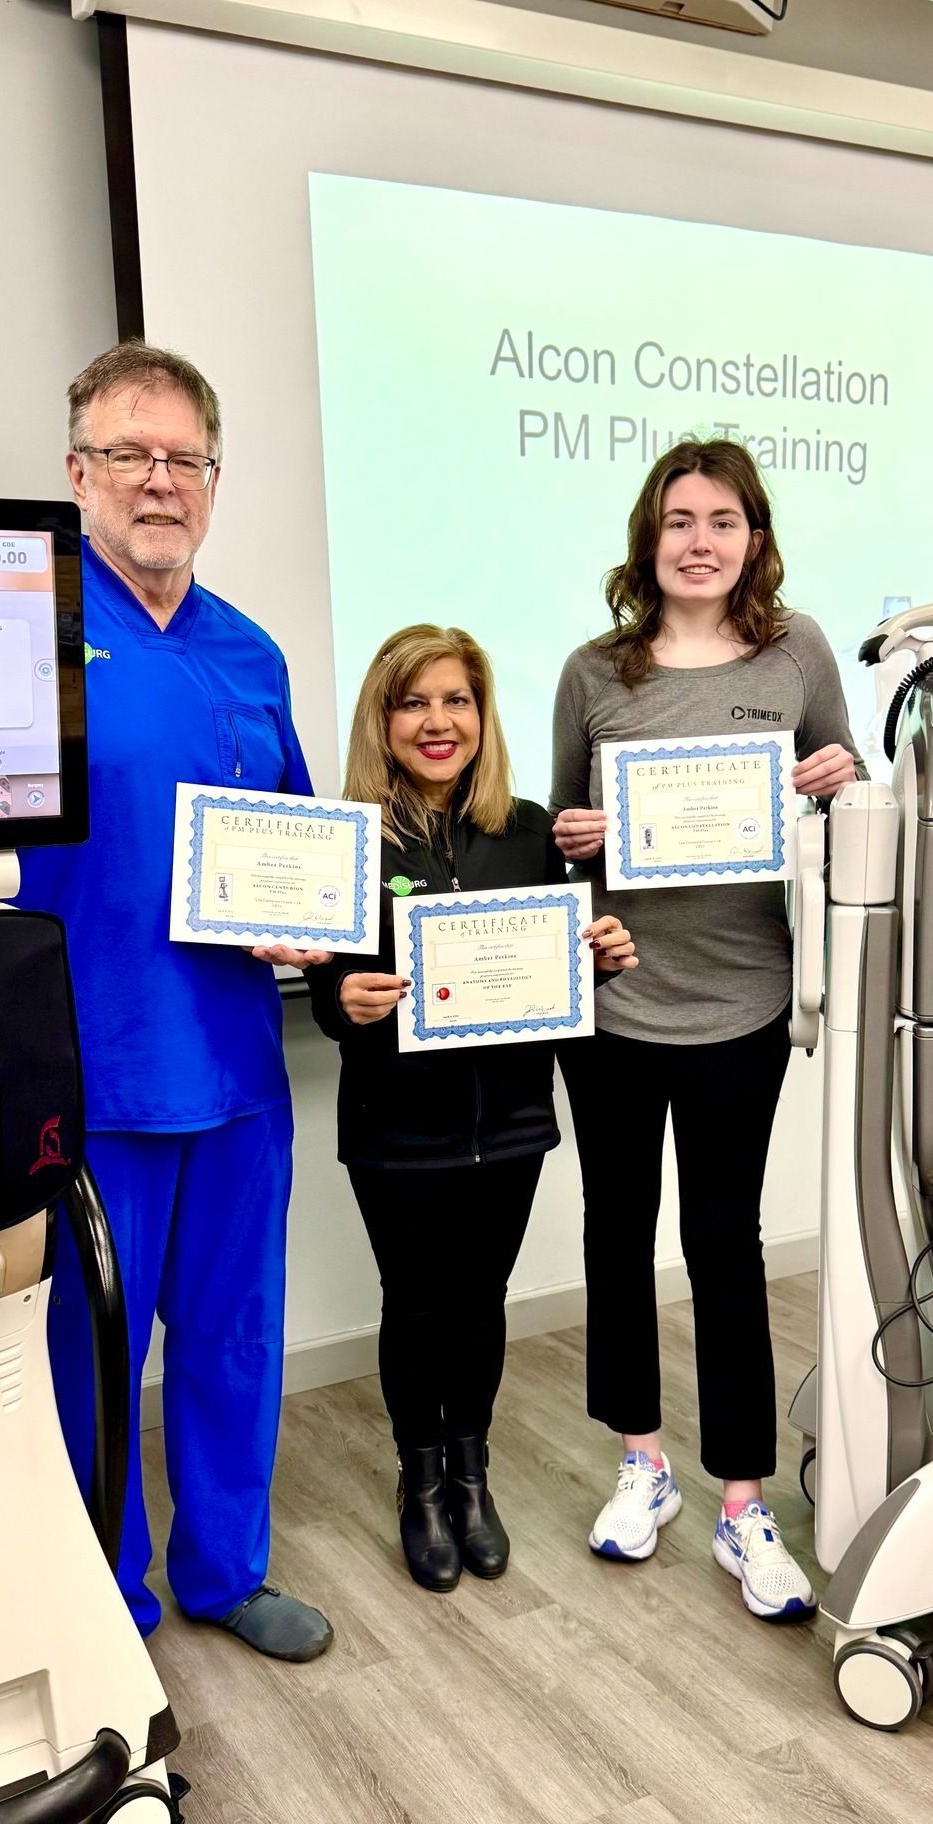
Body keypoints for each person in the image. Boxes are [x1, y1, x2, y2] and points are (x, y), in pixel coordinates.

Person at [18, 341, 332, 1661]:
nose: (159, 479)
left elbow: (301, 843)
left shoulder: (250, 654)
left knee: (231, 1339)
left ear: (212, 478)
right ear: (77, 471)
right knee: (87, 1358)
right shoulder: (24, 638)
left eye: (183, 458)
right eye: (129, 454)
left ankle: (223, 1569)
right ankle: (105, 1597)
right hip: (91, 1073)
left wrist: (316, 930)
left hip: (237, 1071)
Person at [550, 438, 862, 1619]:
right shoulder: (593, 670)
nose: (698, 540)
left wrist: (837, 776)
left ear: (752, 537)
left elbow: (847, 794)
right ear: (648, 537)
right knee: (615, 1228)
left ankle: (741, 1500)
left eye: (721, 520)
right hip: (615, 1004)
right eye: (677, 519)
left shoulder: (797, 652)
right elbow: (560, 829)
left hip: (744, 998)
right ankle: (642, 1463)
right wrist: (576, 837)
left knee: (724, 1241)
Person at [307, 626, 636, 1592]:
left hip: (512, 1123)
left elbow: (552, 977)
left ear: (482, 716)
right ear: (381, 719)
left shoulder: (528, 831)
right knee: (415, 1305)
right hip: (395, 1124)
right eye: (413, 703)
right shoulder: (346, 841)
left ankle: (470, 1476)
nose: (437, 722)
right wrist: (342, 1000)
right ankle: (419, 1486)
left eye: (456, 700)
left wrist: (598, 961)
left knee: (480, 1301)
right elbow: (325, 989)